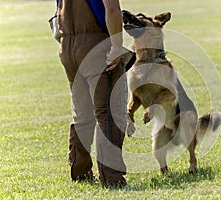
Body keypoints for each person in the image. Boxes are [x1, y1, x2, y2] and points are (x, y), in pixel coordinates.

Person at [56, 0, 132, 188]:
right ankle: (111, 178)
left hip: (68, 47)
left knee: (82, 114)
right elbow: (112, 9)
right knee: (109, 113)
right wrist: (116, 46)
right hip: (96, 45)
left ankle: (80, 171)